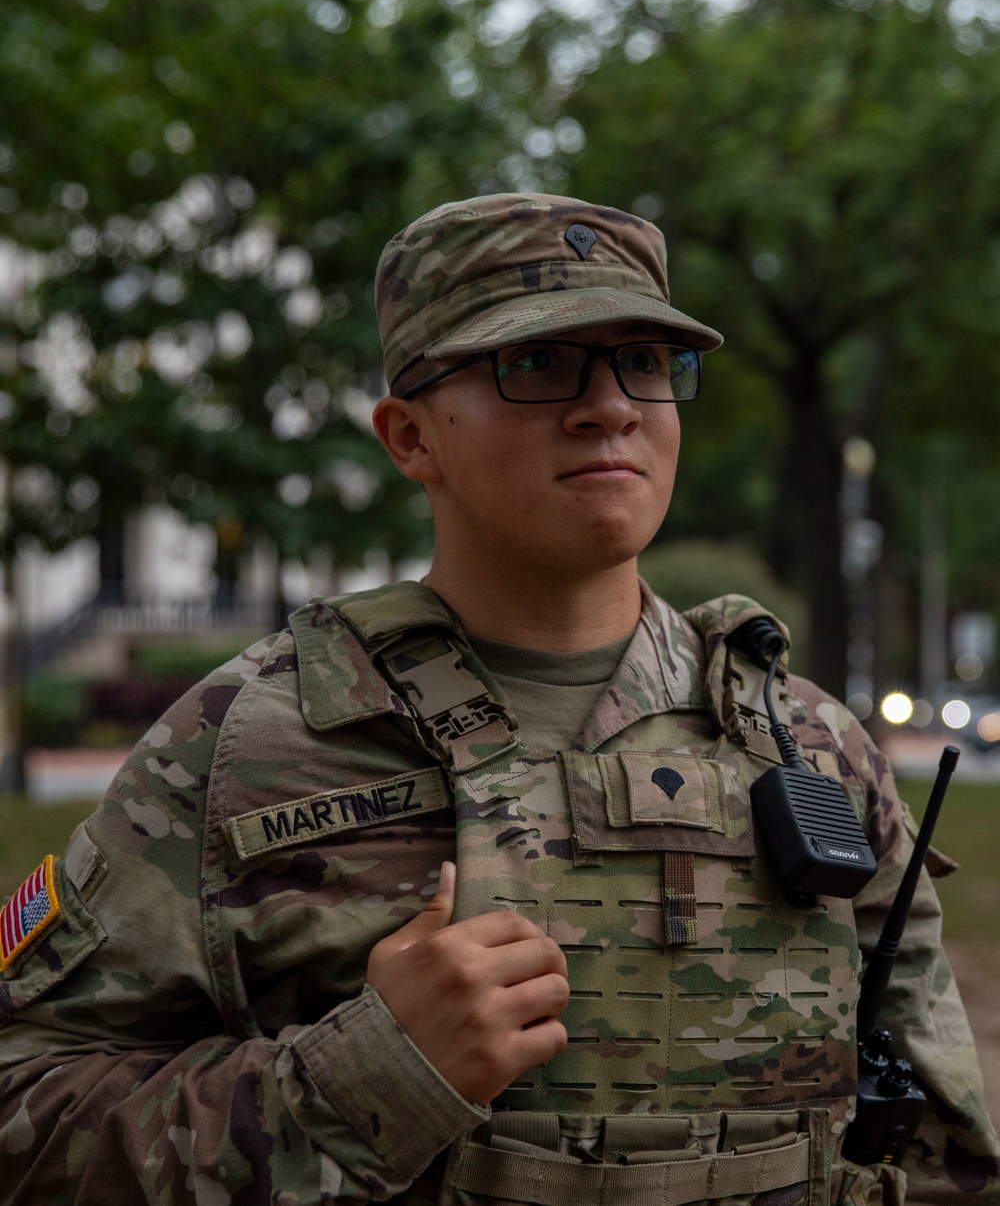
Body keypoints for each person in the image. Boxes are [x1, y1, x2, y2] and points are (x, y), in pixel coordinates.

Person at [0, 193, 997, 1206]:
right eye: (538, 362)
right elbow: (20, 1111)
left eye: (645, 361)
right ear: (409, 436)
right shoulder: (245, 741)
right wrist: (358, 1080)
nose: (609, 404)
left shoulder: (809, 743)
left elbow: (946, 1157)